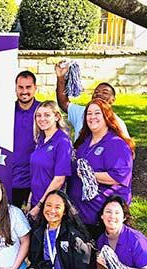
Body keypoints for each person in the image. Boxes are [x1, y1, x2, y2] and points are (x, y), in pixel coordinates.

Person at [66, 98, 135, 238]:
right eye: (89, 114)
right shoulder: (83, 142)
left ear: (106, 116)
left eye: (97, 113)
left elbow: (119, 176)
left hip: (101, 216)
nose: (92, 117)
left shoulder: (117, 144)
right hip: (78, 214)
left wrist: (89, 174)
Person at [55, 61, 129, 141]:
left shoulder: (117, 122)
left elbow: (128, 148)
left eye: (105, 92)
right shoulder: (81, 112)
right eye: (96, 92)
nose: (99, 94)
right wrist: (61, 78)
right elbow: (63, 103)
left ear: (112, 100)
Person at [26, 101, 72, 221]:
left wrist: (39, 206)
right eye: (38, 115)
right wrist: (30, 201)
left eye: (47, 115)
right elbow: (36, 173)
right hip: (35, 202)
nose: (42, 119)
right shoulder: (41, 139)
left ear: (56, 116)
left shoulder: (62, 142)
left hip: (50, 207)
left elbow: (59, 179)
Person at [12, 71, 40, 208]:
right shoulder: (7, 111)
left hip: (36, 180)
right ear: (15, 88)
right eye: (20, 87)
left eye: (28, 87)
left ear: (35, 88)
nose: (24, 91)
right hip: (11, 179)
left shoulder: (43, 112)